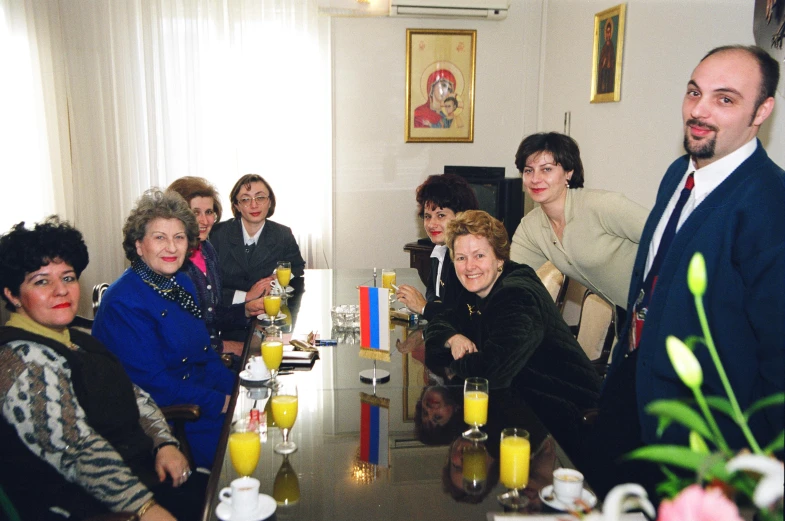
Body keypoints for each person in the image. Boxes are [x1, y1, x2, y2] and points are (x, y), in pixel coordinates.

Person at [592, 45, 784, 496]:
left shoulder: (769, 205)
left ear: (762, 111)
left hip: (703, 439)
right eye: (694, 92)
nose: (698, 110)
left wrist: (762, 457)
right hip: (635, 394)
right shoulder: (678, 173)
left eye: (725, 99)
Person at [0, 217, 204, 521]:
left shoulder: (76, 341)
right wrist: (146, 509)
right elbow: (79, 451)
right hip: (94, 507)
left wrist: (164, 443)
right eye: (42, 281)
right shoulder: (23, 361)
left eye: (68, 278)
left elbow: (134, 395)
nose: (61, 291)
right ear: (12, 295)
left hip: (143, 475)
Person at [424, 210, 602, 455]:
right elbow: (437, 324)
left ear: (499, 258)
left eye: (479, 255)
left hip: (570, 422)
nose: (469, 266)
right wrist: (453, 338)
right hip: (524, 404)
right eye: (461, 258)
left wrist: (456, 363)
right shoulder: (477, 288)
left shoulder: (516, 295)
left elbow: (490, 374)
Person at [93, 189, 235, 469]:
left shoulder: (180, 283)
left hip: (201, 396)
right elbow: (154, 387)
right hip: (176, 419)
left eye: (179, 237)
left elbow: (206, 354)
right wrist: (222, 403)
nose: (171, 248)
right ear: (138, 245)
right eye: (160, 237)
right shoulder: (124, 303)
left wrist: (241, 392)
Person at [510, 132, 648, 311]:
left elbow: (669, 237)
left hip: (672, 300)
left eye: (546, 169)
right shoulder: (531, 227)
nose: (535, 179)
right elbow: (513, 280)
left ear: (568, 172)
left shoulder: (603, 205)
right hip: (632, 315)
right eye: (529, 170)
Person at [167, 176, 269, 358]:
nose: (204, 221)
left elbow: (213, 312)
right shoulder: (172, 263)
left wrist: (246, 309)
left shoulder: (207, 250)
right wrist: (226, 346)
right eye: (195, 212)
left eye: (209, 212)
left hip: (210, 349)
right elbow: (179, 335)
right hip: (194, 359)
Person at [210, 174, 306, 310]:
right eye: (245, 199)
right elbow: (207, 285)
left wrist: (274, 279)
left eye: (260, 197)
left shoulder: (282, 234)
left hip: (267, 309)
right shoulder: (217, 234)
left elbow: (297, 266)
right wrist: (246, 296)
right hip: (226, 312)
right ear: (237, 205)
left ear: (270, 201)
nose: (254, 205)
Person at [396, 173, 479, 321]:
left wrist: (423, 306)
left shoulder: (467, 258)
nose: (431, 224)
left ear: (461, 216)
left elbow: (463, 315)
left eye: (441, 215)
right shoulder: (440, 250)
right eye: (427, 216)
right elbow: (434, 298)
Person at [597, 18, 616, 94]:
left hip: (609, 71)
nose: (608, 35)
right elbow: (601, 59)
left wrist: (609, 63)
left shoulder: (611, 46)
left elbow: (612, 59)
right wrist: (603, 62)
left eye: (609, 32)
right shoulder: (604, 47)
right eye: (607, 32)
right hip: (603, 70)